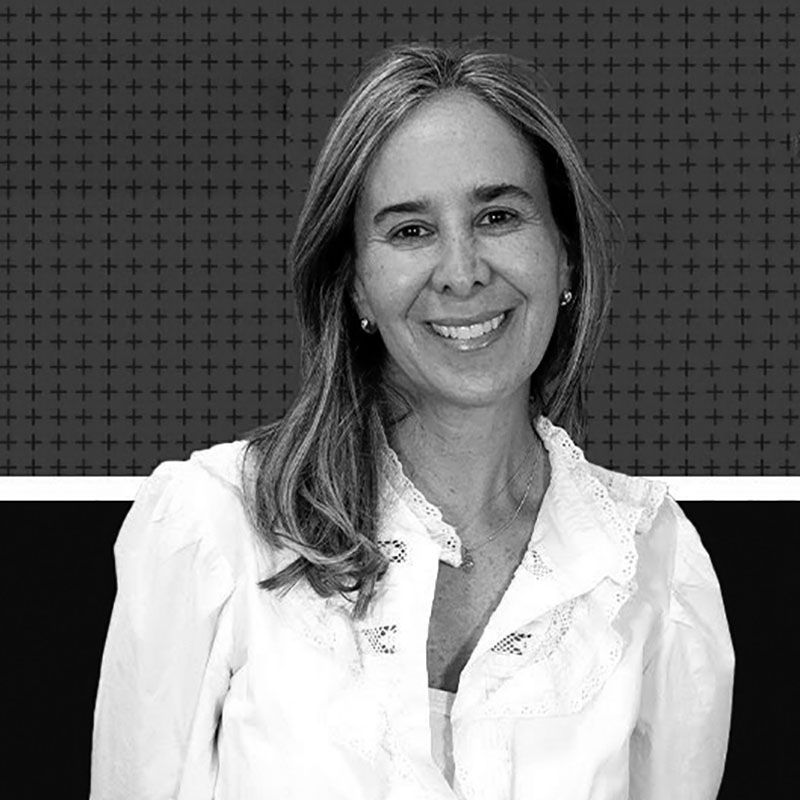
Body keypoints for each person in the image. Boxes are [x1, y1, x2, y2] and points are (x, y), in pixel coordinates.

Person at [91, 44, 734, 799]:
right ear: (357, 286)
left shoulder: (652, 562)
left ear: (563, 256)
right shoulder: (213, 528)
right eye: (410, 231)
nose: (462, 272)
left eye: (498, 216)